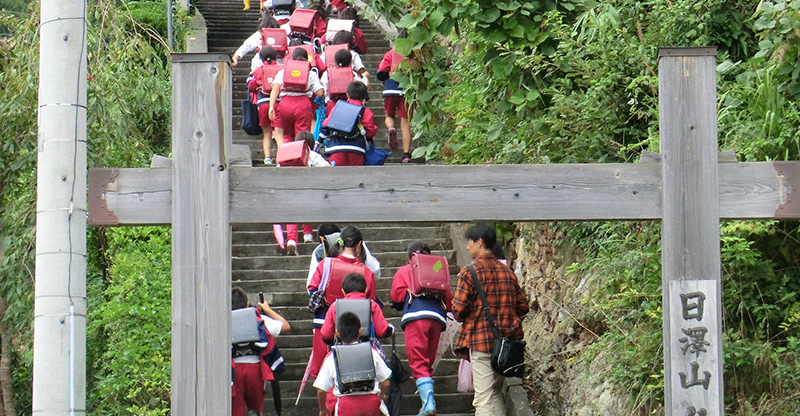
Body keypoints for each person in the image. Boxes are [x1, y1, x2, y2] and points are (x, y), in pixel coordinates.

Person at [452, 223, 529, 415]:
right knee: (495, 394)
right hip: (504, 345)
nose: (468, 247)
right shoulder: (507, 273)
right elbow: (523, 306)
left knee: (484, 399)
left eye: (470, 242)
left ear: (479, 242)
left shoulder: (469, 272)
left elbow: (458, 310)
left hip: (481, 343)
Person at [390, 241, 453, 416]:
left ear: (410, 256)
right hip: (437, 319)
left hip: (415, 317)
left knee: (417, 360)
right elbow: (449, 301)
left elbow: (396, 296)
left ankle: (428, 404)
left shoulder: (405, 269)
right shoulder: (437, 269)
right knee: (427, 360)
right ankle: (427, 401)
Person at [307, 225, 377, 378]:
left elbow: (312, 289)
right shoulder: (366, 272)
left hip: (324, 323)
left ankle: (326, 402)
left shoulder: (325, 264)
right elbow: (370, 303)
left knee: (322, 372)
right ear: (359, 244)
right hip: (355, 329)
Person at [313, 311, 391, 416]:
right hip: (371, 404)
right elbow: (385, 382)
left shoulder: (332, 357)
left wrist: (323, 409)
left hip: (346, 404)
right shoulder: (372, 352)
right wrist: (381, 395)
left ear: (337, 333)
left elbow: (321, 390)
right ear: (360, 331)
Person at [231, 287, 289, 416]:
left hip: (233, 371)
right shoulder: (258, 318)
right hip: (256, 369)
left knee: (235, 412)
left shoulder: (224, 321)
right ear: (247, 304)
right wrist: (267, 310)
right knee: (256, 410)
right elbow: (285, 326)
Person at [269, 47, 325, 144]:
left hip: (285, 104)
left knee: (286, 135)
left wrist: (271, 107)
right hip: (303, 105)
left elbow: (275, 89)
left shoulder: (283, 72)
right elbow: (320, 93)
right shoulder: (311, 74)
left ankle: (285, 157)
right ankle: (298, 157)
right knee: (301, 135)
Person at [320, 272, 393, 344]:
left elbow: (326, 334)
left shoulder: (335, 306)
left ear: (343, 291)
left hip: (342, 350)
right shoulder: (372, 305)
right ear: (366, 290)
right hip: (367, 349)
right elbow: (381, 331)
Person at [375, 28, 412, 162]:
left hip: (390, 88)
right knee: (405, 122)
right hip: (407, 89)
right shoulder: (413, 55)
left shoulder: (390, 54)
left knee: (389, 115)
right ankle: (406, 155)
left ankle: (391, 127)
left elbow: (381, 72)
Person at [319, 81, 377, 166]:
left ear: (347, 94)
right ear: (364, 97)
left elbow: (326, 126)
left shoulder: (337, 108)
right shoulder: (366, 112)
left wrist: (319, 142)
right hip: (357, 149)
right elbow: (370, 132)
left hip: (337, 149)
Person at [306, 224, 381, 287]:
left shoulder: (324, 262)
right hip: (359, 302)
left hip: (329, 303)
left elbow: (311, 285)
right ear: (359, 244)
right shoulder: (365, 270)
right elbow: (374, 271)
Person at [248, 46, 284, 164]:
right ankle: (282, 157)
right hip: (279, 102)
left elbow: (252, 86)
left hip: (263, 103)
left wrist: (250, 76)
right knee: (279, 133)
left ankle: (267, 157)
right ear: (276, 56)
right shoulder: (282, 69)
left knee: (267, 132)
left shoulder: (259, 69)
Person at [320, 49, 369, 113]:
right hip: (349, 104)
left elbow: (324, 87)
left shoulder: (327, 73)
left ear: (335, 61)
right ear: (350, 62)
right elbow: (365, 86)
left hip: (332, 104)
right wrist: (365, 77)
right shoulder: (353, 74)